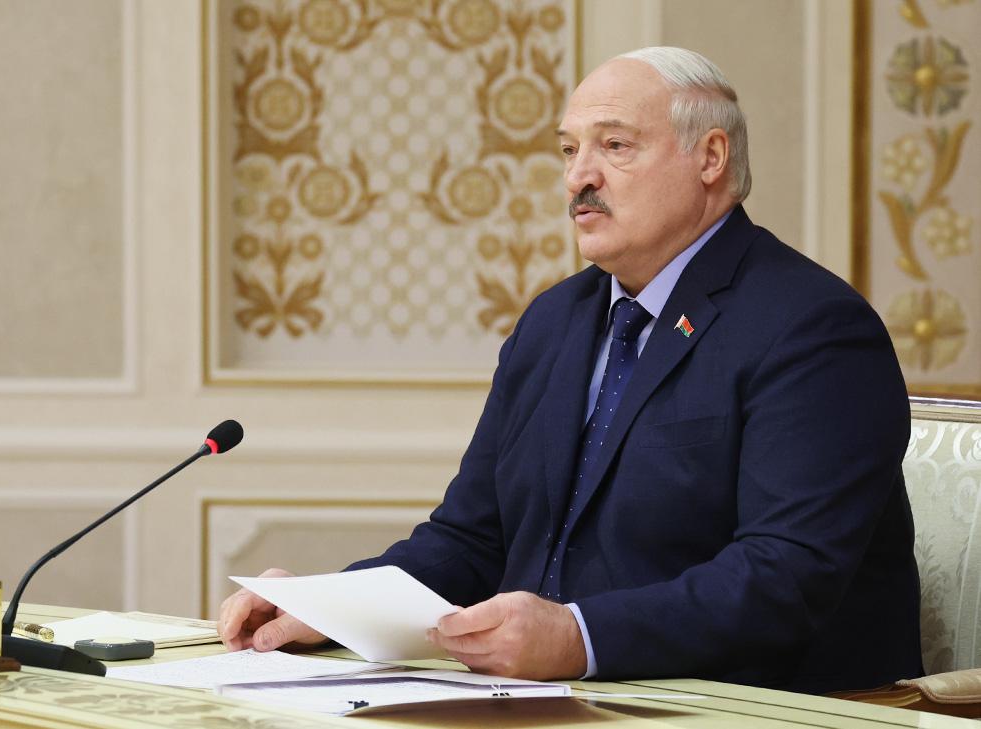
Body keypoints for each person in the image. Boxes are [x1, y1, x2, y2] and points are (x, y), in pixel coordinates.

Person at [218, 46, 922, 694]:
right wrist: (330, 605)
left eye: (614, 146)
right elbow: (473, 538)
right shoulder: (554, 320)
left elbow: (785, 577)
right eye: (569, 149)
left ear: (710, 156)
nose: (580, 176)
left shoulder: (813, 328)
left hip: (749, 702)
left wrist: (579, 638)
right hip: (544, 699)